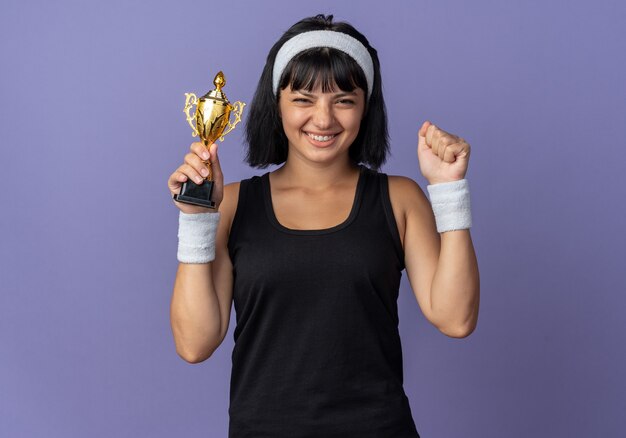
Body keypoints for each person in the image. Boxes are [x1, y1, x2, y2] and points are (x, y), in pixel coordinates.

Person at [167, 14, 479, 438]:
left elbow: (456, 318)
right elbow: (194, 344)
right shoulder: (234, 204)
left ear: (366, 106)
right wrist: (197, 222)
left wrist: (449, 192)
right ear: (276, 103)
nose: (324, 118)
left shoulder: (400, 199)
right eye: (303, 99)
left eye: (344, 99)